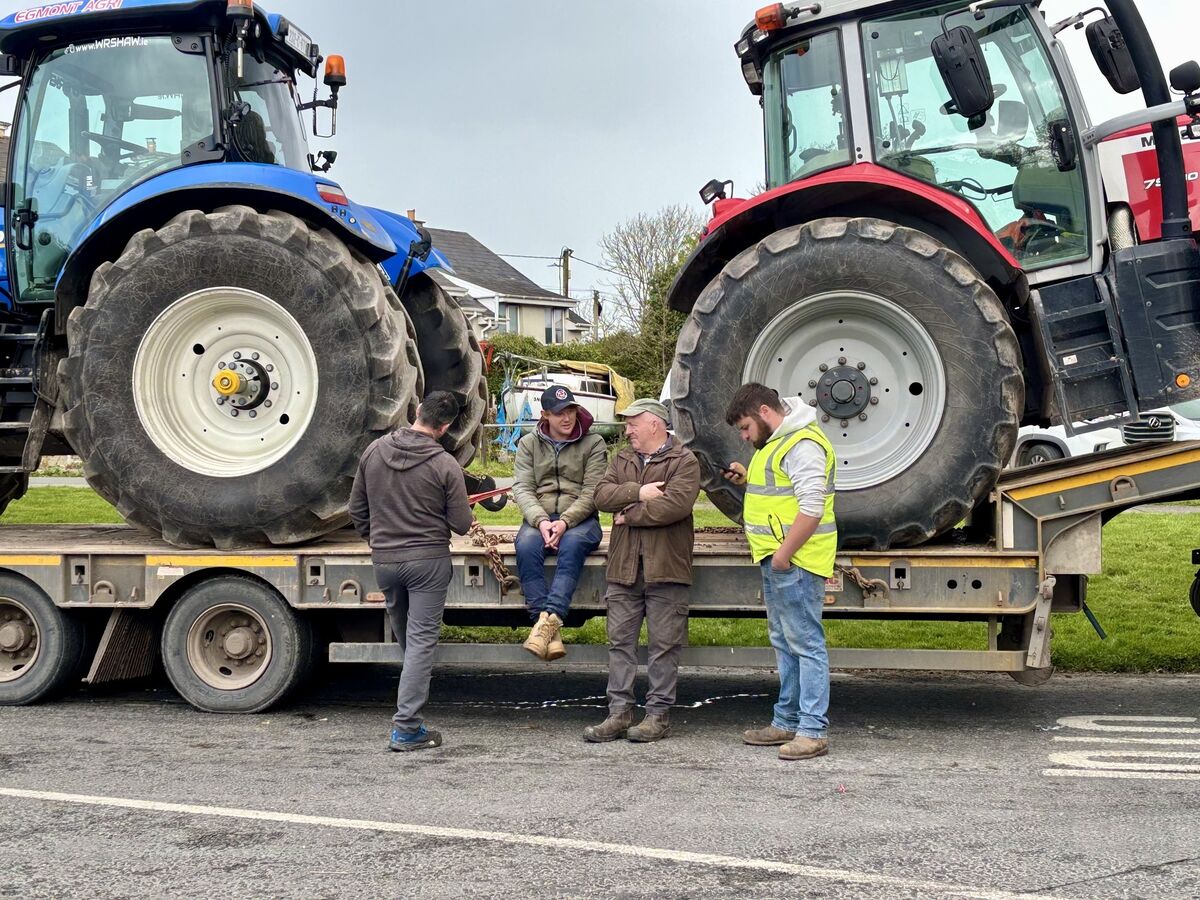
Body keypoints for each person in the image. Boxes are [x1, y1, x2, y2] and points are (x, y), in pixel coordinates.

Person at [349, 391, 473, 753]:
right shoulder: (445, 464)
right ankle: (406, 728)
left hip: (385, 561)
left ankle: (409, 709)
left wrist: (377, 538)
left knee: (408, 641)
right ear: (445, 426)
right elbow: (462, 524)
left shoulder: (374, 452)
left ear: (417, 411)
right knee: (419, 645)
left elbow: (357, 508)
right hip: (427, 563)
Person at [722, 383, 837, 761]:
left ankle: (812, 730)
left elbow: (811, 508)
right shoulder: (778, 441)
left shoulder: (802, 445)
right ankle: (786, 721)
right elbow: (779, 489)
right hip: (780, 559)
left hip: (796, 562)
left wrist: (785, 556)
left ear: (765, 413)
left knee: (806, 644)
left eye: (745, 428)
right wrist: (747, 476)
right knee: (786, 643)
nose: (743, 436)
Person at [586, 399, 700, 743]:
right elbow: (602, 497)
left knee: (663, 646)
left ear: (655, 424)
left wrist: (629, 515)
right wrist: (639, 492)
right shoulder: (622, 459)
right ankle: (618, 713)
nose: (627, 430)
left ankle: (657, 716)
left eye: (633, 423)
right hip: (624, 569)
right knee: (620, 644)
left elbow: (674, 506)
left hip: (667, 568)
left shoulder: (684, 461)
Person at [511, 385, 608, 660]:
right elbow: (523, 488)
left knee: (573, 546)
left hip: (581, 519)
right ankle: (547, 629)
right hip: (539, 518)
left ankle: (546, 623)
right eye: (559, 413)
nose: (567, 418)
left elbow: (593, 491)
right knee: (527, 546)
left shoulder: (594, 443)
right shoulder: (528, 443)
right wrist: (541, 521)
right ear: (544, 415)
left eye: (571, 411)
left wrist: (565, 522)